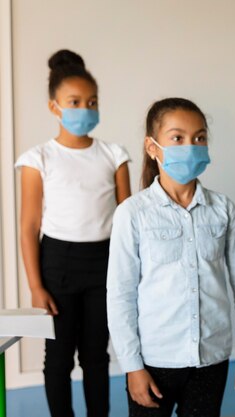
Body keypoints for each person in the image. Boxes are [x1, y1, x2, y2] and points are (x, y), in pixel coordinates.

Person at [107, 97, 235, 417]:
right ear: (152, 147)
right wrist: (132, 367)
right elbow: (120, 294)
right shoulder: (132, 214)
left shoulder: (223, 209)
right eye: (177, 137)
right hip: (154, 361)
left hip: (212, 358)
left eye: (199, 137)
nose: (191, 146)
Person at [15, 49, 131, 417]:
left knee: (97, 356)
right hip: (57, 263)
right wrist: (36, 285)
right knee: (59, 356)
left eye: (92, 101)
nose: (85, 108)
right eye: (75, 102)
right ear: (54, 107)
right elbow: (29, 225)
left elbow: (128, 222)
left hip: (104, 263)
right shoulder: (39, 159)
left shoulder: (114, 155)